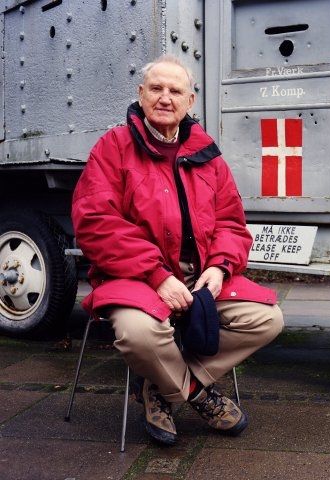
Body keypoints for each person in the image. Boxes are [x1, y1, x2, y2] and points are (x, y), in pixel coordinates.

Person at [71, 55, 284, 445]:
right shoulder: (113, 147)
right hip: (135, 275)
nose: (165, 98)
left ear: (191, 101)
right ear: (140, 95)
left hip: (199, 275)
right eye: (156, 88)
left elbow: (232, 224)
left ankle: (159, 387)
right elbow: (95, 222)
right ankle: (197, 395)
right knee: (138, 334)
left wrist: (220, 267)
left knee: (267, 320)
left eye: (175, 90)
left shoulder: (208, 155)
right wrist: (156, 274)